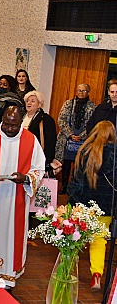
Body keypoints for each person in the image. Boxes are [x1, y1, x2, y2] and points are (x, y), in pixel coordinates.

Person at [0, 106, 46, 287]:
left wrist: (26, 178)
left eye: (14, 125)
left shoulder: (30, 140)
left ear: (21, 123)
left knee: (12, 238)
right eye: (6, 124)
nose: (10, 128)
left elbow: (39, 168)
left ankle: (8, 279)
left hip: (16, 199)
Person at [67, 120, 115, 291]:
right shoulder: (115, 154)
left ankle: (67, 269)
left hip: (84, 203)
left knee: (74, 238)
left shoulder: (85, 150)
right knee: (99, 241)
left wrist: (72, 202)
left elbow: (77, 181)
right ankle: (96, 275)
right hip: (106, 206)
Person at [56, 84, 96, 194]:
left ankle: (73, 187)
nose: (81, 93)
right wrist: (70, 134)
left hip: (83, 141)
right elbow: (61, 120)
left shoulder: (93, 107)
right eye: (79, 90)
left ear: (88, 92)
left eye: (84, 91)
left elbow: (93, 124)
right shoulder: (68, 104)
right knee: (66, 164)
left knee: (78, 165)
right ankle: (64, 185)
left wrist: (81, 136)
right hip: (67, 140)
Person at [24, 91, 61, 178]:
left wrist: (47, 160)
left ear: (39, 105)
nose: (29, 103)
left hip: (36, 157)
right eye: (27, 101)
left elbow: (50, 142)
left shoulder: (46, 120)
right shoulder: (21, 117)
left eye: (33, 101)